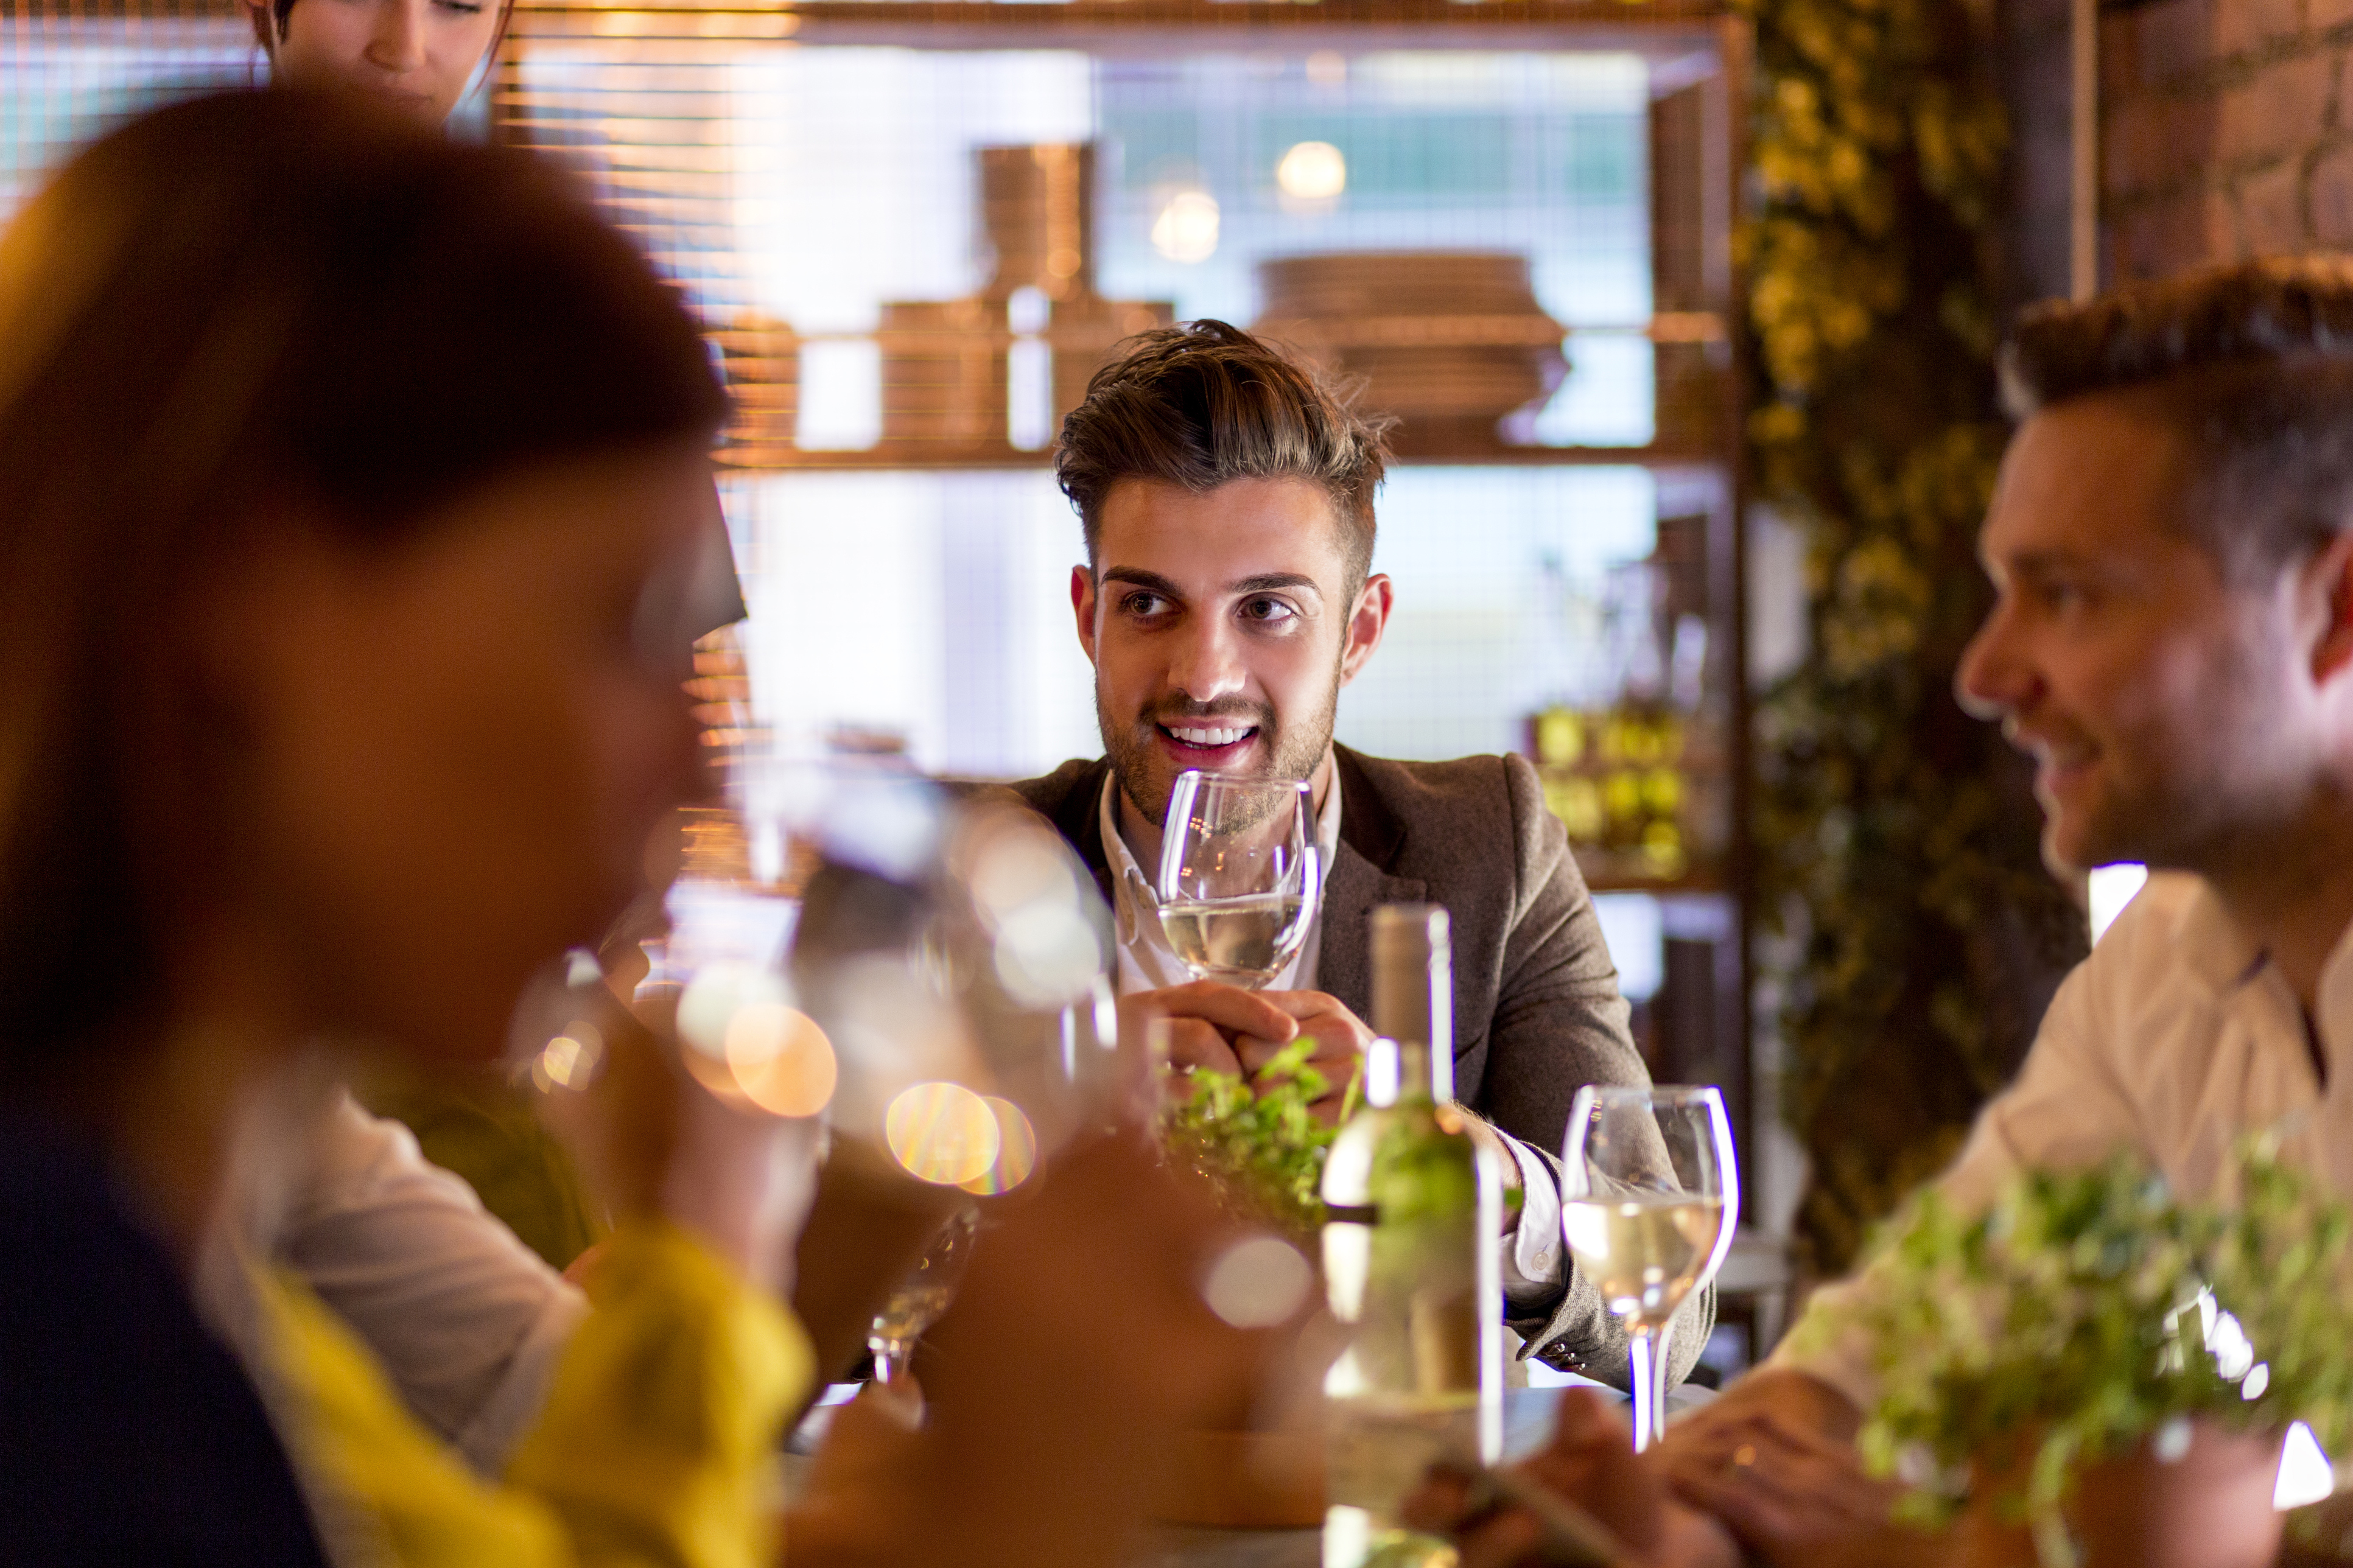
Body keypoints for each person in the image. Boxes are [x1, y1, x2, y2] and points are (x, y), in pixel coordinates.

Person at [0, 89, 1269, 1568]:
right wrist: (1006, 1532)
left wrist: (785, 1259)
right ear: (242, 602)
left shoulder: (203, 1238)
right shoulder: (48, 1315)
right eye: (620, 628)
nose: (692, 768)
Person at [1429, 257, 2353, 1567]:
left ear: (2332, 609)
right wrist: (1648, 1505)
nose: (1986, 672)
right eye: (2003, 589)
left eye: (2072, 595)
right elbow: (1890, 1357)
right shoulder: (2163, 966)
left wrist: (1972, 1544)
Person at [1012, 320, 1703, 1387]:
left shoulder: (1491, 845)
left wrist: (1463, 1164)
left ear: (1362, 631)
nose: (1204, 672)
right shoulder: (971, 872)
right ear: (1085, 617)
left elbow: (1666, 1304)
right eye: (1147, 604)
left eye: (1268, 610)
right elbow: (809, 1298)